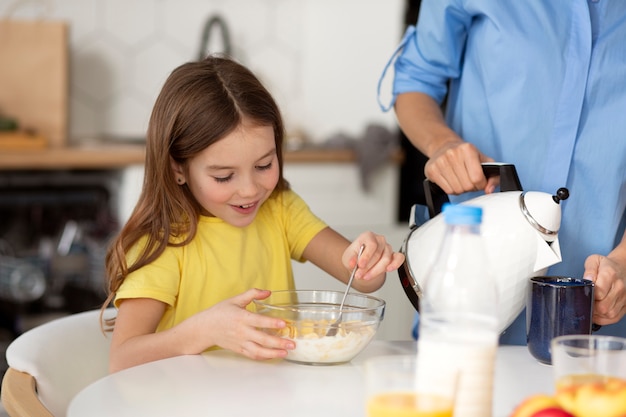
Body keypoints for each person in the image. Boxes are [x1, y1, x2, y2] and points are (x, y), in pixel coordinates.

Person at [101, 55, 405, 373]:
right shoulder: (163, 242)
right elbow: (122, 359)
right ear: (178, 168)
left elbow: (361, 280)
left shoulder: (280, 209)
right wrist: (203, 331)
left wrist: (369, 260)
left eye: (263, 165)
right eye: (223, 176)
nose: (249, 190)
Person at [378, 1, 626, 344]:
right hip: (466, 302)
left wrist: (624, 262)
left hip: (598, 331)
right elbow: (415, 81)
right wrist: (442, 144)